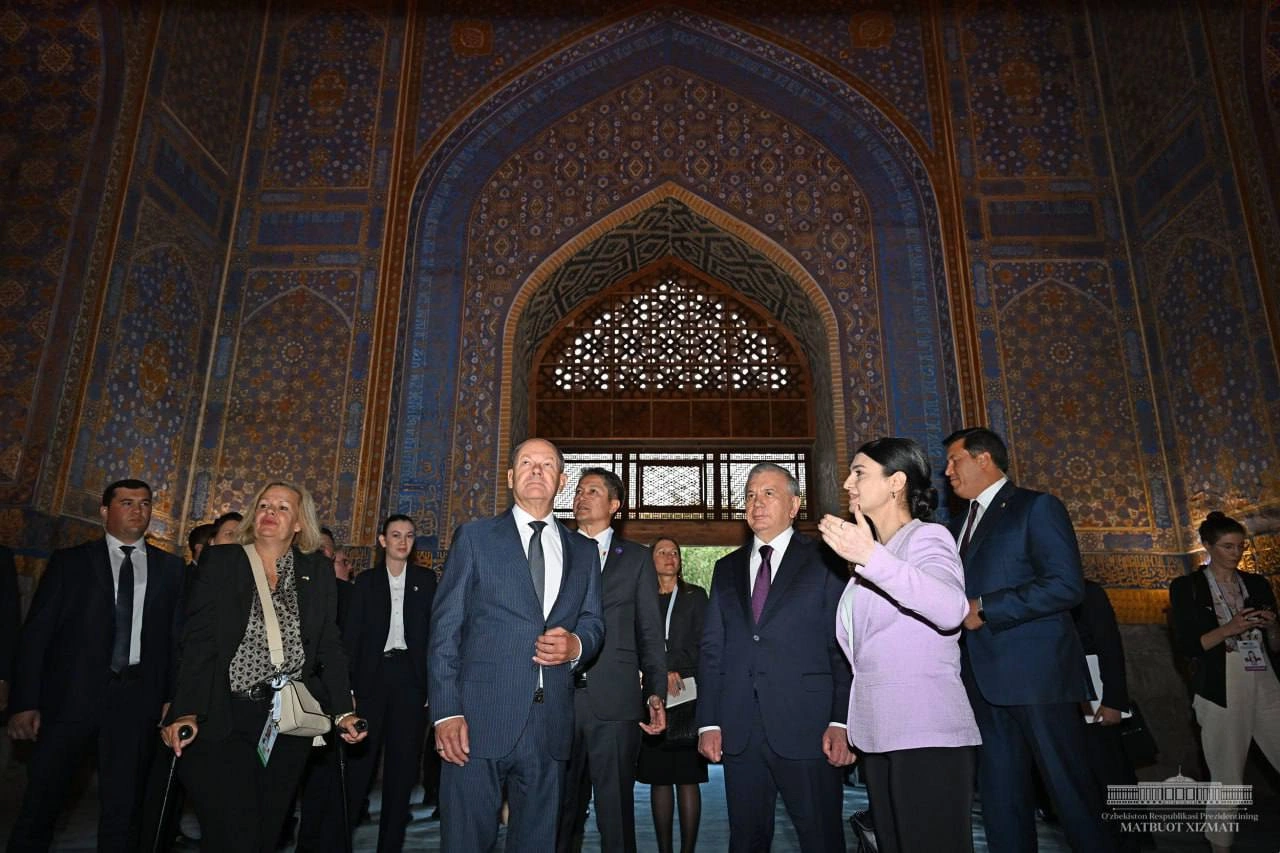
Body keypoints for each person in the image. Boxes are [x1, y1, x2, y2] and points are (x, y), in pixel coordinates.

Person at [160, 481, 366, 853]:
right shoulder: (223, 561)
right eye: (264, 505)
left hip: (286, 720)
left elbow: (329, 646)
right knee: (233, 830)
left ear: (300, 523)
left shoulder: (317, 570)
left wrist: (343, 711)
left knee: (267, 830)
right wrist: (186, 709)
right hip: (226, 713)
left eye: (283, 508)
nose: (270, 512)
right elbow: (198, 641)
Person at [429, 437, 605, 851]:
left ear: (561, 481)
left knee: (538, 842)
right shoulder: (475, 538)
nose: (536, 470)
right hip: (476, 720)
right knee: (466, 841)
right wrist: (446, 712)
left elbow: (594, 621)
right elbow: (445, 630)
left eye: (547, 465)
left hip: (550, 724)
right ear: (510, 477)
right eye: (527, 463)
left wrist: (576, 646)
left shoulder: (584, 551)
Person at [943, 426, 1113, 852]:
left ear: (984, 459)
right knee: (1001, 800)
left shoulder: (1036, 507)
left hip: (1038, 677)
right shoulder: (957, 525)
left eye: (954, 460)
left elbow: (1065, 585)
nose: (947, 472)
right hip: (982, 681)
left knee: (1070, 793)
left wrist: (987, 608)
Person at [817, 437, 980, 853]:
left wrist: (870, 557)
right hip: (880, 733)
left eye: (859, 473)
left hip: (925, 732)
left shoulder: (927, 538)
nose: (847, 483)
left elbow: (951, 608)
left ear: (896, 482)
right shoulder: (874, 557)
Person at [7, 479, 185, 853]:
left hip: (136, 700)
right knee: (42, 802)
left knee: (124, 809)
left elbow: (175, 640)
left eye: (145, 503)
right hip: (69, 699)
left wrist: (172, 698)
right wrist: (25, 702)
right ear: (105, 511)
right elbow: (37, 634)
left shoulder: (171, 568)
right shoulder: (70, 562)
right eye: (127, 502)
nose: (138, 510)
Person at [696, 462, 853, 852]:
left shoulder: (826, 560)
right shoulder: (726, 568)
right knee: (746, 839)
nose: (756, 503)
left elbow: (843, 645)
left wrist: (841, 720)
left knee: (820, 838)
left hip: (809, 727)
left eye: (768, 493)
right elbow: (713, 650)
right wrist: (708, 722)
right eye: (750, 495)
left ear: (794, 505)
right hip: (740, 731)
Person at [557, 468, 667, 853]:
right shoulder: (555, 549)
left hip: (616, 701)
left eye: (592, 491)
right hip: (558, 698)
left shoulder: (636, 558)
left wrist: (655, 692)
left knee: (615, 813)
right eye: (578, 490)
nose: (581, 497)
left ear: (614, 505)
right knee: (558, 811)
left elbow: (649, 631)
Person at [1169, 511, 1280, 853]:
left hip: (1264, 677)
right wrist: (1230, 628)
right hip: (1221, 684)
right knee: (1227, 775)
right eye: (1227, 546)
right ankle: (1220, 845)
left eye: (1240, 546)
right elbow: (1188, 645)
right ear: (1207, 546)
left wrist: (1271, 626)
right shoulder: (1187, 587)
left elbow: (1276, 645)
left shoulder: (1257, 583)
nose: (1236, 553)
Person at [343, 514, 437, 852]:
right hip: (371, 680)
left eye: (409, 536)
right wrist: (348, 691)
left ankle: (390, 846)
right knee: (358, 768)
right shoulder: (366, 582)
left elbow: (434, 637)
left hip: (410, 682)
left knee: (403, 769)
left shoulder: (426, 581)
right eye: (395, 535)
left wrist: (431, 686)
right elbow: (351, 637)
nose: (402, 542)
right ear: (382, 541)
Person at [636, 537, 708, 853]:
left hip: (687, 695)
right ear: (650, 560)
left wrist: (672, 665)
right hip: (653, 695)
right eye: (662, 552)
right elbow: (634, 641)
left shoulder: (696, 596)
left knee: (688, 777)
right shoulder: (640, 597)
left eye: (675, 552)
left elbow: (705, 642)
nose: (669, 557)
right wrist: (659, 670)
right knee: (659, 777)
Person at [1074, 579, 1145, 853]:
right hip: (1063, 698)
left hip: (1097, 698)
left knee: (1110, 769)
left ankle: (1129, 841)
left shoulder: (1088, 592)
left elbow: (1110, 645)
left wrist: (1114, 701)